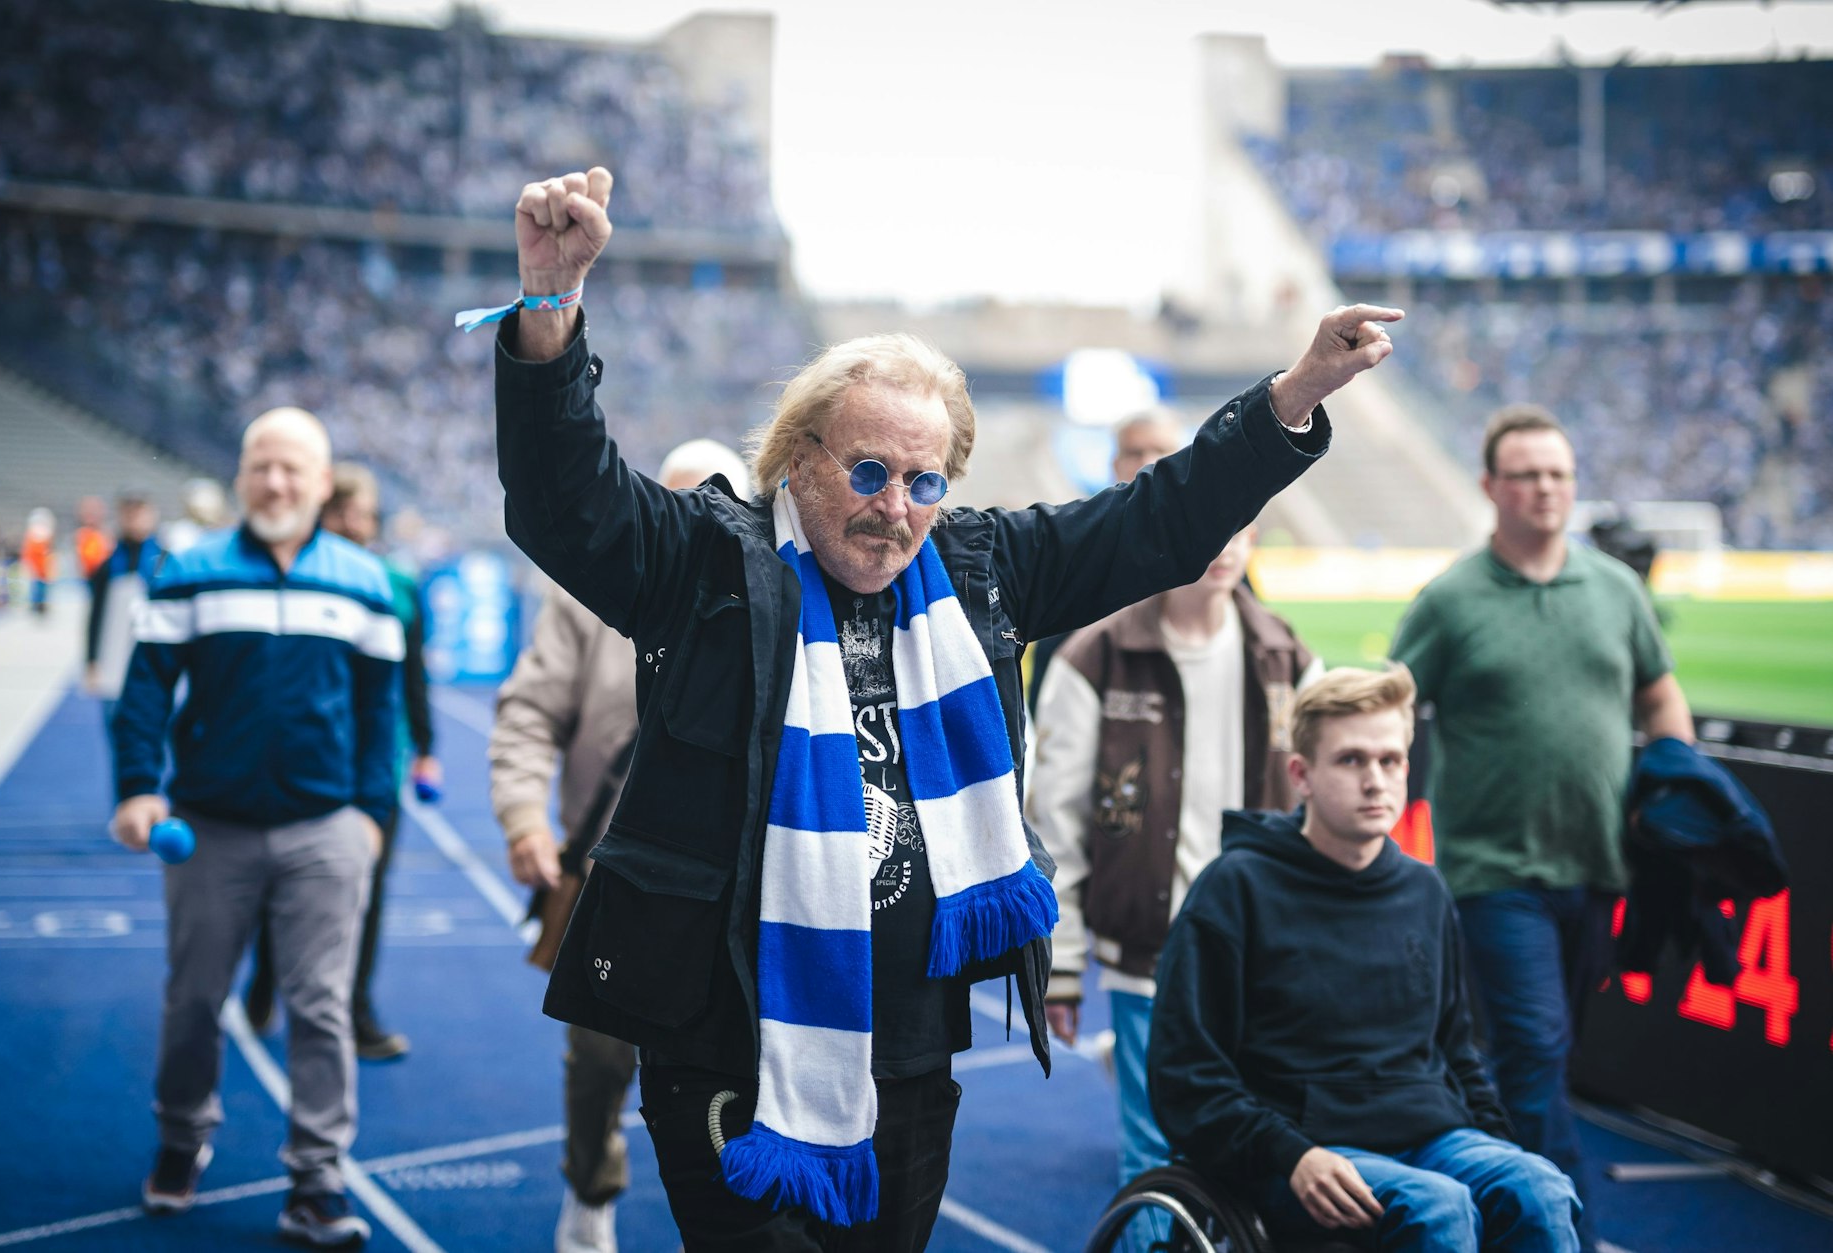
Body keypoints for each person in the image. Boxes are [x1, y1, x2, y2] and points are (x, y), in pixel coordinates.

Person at [485, 166, 1397, 1249]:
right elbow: (567, 501)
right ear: (798, 456)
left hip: (913, 1043)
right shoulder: (707, 564)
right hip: (723, 1033)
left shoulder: (981, 569)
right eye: (869, 470)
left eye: (924, 481)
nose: (895, 508)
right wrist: (549, 309)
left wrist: (1293, 394)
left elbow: (1157, 520)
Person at [1389, 405, 1693, 1250]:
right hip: (1494, 873)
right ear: (1491, 487)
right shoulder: (1451, 598)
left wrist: (1678, 777)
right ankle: (1563, 1230)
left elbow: (1660, 691)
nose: (1546, 488)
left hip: (1596, 866)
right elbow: (1393, 702)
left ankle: (1493, 1200)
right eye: (1526, 474)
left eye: (1558, 473)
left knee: (1547, 1055)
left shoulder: (1615, 588)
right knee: (1532, 1050)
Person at [1147, 666, 1580, 1251]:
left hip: (1431, 1135)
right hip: (1296, 1149)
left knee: (1539, 1188)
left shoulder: (1425, 891)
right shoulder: (1234, 889)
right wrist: (1291, 1155)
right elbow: (1185, 1075)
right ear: (1301, 775)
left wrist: (1502, 1147)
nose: (1375, 781)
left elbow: (1456, 1052)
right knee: (1437, 1208)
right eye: (1351, 760)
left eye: (1390, 760)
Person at [110, 406, 401, 1249]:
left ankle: (316, 1178)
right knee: (193, 1000)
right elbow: (143, 690)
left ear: (321, 482)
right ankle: (180, 1137)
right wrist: (138, 787)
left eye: (292, 468)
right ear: (240, 477)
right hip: (209, 828)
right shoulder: (189, 570)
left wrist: (370, 816)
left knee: (321, 1007)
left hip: (325, 830)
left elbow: (381, 713)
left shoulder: (365, 580)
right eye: (261, 466)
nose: (275, 482)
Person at [491, 438, 751, 1253]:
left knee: (730, 1066)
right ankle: (591, 1187)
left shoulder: (775, 600)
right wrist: (524, 816)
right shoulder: (587, 596)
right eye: (680, 499)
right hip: (613, 873)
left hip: (730, 883)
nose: (700, 517)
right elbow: (530, 710)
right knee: (602, 1058)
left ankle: (731, 1217)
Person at [1027, 521, 1320, 1234]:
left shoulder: (1285, 654)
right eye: (1211, 524)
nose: (1223, 543)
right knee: (1153, 1156)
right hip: (1146, 956)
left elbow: (1320, 806)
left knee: (1259, 1150)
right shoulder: (1097, 655)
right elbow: (1055, 823)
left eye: (1241, 528)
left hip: (1261, 958)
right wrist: (1061, 964)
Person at [245, 461, 439, 1060]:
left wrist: (426, 748)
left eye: (366, 515)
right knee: (285, 878)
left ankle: (356, 1011)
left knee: (367, 889)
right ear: (323, 514)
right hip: (308, 758)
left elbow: (413, 673)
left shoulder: (397, 584)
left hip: (376, 762)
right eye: (346, 513)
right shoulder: (292, 576)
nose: (357, 525)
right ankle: (265, 978)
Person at [1022, 408, 1185, 715]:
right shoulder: (1080, 542)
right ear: (1115, 464)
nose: (1147, 461)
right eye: (1134, 452)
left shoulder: (1215, 548)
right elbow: (1051, 652)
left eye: (1161, 450)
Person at [83, 490, 165, 731]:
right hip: (114, 662)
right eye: (128, 511)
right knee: (116, 730)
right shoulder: (109, 564)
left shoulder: (165, 562)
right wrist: (91, 659)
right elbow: (95, 615)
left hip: (154, 668)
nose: (133, 517)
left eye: (139, 510)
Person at [20, 506, 55, 618]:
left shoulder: (43, 540)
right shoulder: (32, 540)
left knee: (42, 590)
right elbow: (28, 555)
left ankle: (41, 606)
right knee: (36, 590)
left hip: (43, 571)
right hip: (36, 571)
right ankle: (36, 606)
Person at [75, 494, 113, 579]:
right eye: (87, 509)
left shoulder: (108, 538)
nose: (90, 513)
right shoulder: (77, 538)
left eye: (94, 509)